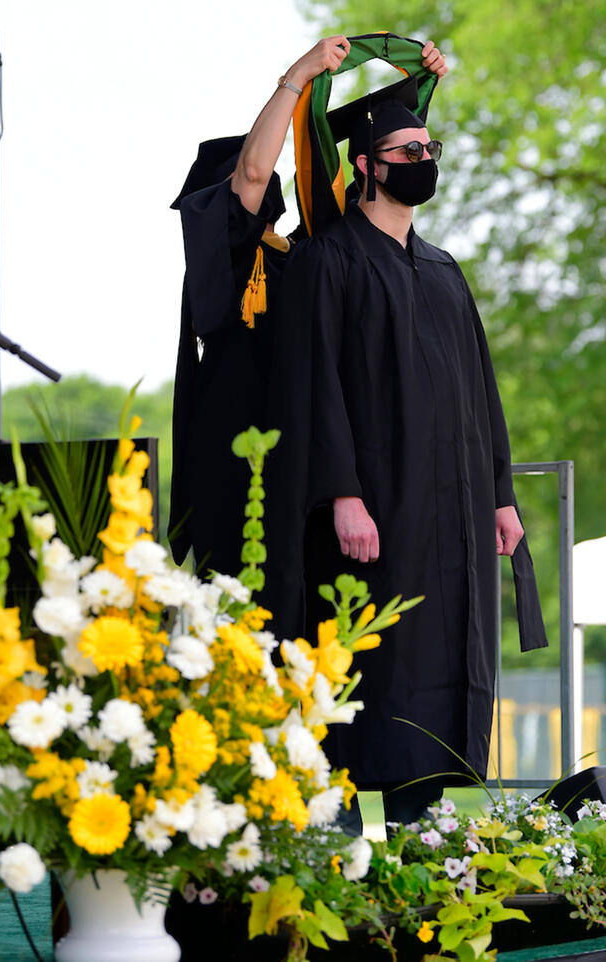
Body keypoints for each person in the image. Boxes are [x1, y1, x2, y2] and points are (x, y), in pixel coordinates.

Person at [264, 84, 548, 833]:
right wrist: (342, 493)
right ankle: (343, 846)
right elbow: (314, 385)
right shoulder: (328, 262)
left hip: (449, 512)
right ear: (366, 165)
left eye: (429, 151)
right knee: (380, 668)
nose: (423, 162)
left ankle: (420, 843)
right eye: (407, 152)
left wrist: (500, 496)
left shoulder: (444, 269)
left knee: (444, 658)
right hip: (379, 508)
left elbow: (481, 393)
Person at [168, 37, 447, 574]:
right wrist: (298, 76)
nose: (264, 175)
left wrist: (421, 92)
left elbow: (376, 173)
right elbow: (249, 175)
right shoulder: (226, 259)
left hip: (306, 465)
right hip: (241, 457)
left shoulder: (309, 255)